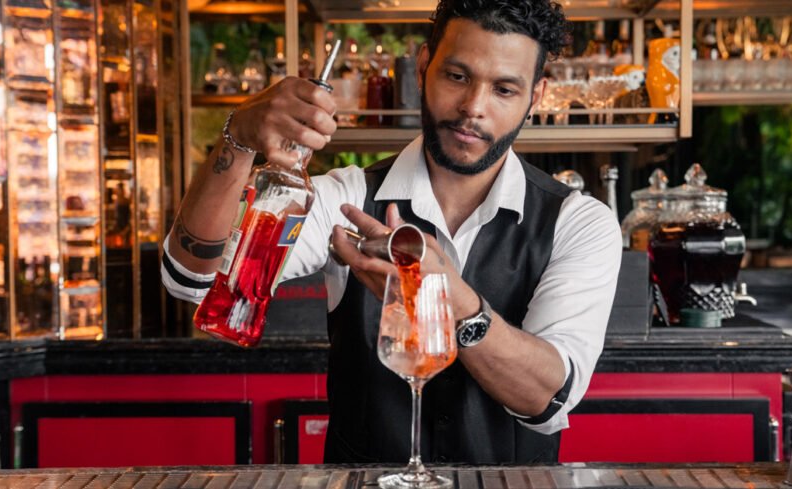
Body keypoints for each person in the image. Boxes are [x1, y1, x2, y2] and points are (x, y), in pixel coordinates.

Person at [162, 0, 622, 464]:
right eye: (457, 77)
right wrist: (238, 138)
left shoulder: (579, 223)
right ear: (424, 67)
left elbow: (546, 399)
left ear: (536, 96)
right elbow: (191, 281)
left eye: (504, 89)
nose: (472, 108)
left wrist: (448, 298)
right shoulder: (345, 198)